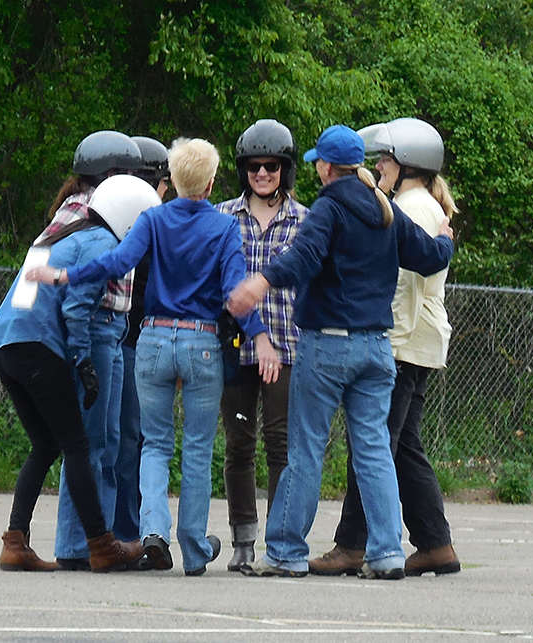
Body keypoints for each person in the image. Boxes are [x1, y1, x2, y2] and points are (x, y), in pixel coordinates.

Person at [26, 137, 272, 576]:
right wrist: (262, 337)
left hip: (154, 339)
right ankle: (195, 547)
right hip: (200, 343)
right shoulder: (223, 227)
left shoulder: (154, 220)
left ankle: (153, 532)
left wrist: (64, 273)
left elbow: (117, 261)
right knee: (197, 448)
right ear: (212, 183)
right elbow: (237, 294)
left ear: (172, 180)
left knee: (153, 445)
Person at [226, 124, 454, 580]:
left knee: (306, 449)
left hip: (326, 345)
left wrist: (261, 281)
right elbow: (430, 256)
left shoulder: (329, 208)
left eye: (317, 163)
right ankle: (387, 553)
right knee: (373, 450)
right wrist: (446, 237)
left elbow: (306, 257)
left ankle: (288, 552)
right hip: (376, 348)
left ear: (327, 167)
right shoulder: (383, 207)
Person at [307, 117, 462, 577]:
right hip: (422, 339)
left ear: (408, 162)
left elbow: (401, 286)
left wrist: (384, 336)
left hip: (402, 339)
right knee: (401, 444)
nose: (379, 166)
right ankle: (435, 543)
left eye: (386, 159)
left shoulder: (410, 207)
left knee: (371, 442)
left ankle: (354, 543)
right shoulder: (417, 204)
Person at [0, 174, 159, 573]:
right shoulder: (103, 243)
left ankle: (15, 542)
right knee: (79, 446)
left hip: (6, 344)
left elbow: (28, 296)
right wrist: (83, 362)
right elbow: (76, 310)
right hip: (39, 347)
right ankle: (101, 545)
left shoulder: (63, 234)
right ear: (129, 218)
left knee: (46, 445)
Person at [39, 131, 142, 570]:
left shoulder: (91, 209)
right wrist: (80, 354)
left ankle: (102, 541)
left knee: (109, 440)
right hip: (95, 328)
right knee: (90, 443)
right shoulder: (85, 212)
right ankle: (81, 545)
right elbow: (63, 278)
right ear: (109, 174)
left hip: (112, 328)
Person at [213, 119, 308, 571]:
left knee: (282, 444)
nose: (262, 174)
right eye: (254, 167)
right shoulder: (222, 215)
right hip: (235, 346)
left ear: (285, 170)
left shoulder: (305, 220)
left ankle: (280, 541)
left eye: (271, 166)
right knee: (238, 443)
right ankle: (242, 541)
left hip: (287, 346)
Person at [111, 135, 170, 543]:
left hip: (119, 338)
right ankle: (127, 529)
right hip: (136, 342)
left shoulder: (115, 218)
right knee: (133, 437)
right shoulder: (153, 221)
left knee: (117, 436)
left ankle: (118, 525)